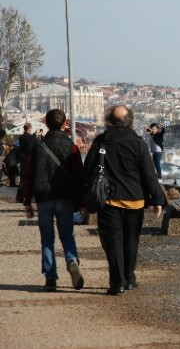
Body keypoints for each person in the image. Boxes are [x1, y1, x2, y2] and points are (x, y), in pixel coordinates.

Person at [84, 105, 165, 295]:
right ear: (130, 121)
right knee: (131, 241)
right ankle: (129, 278)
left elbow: (88, 172)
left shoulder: (101, 141)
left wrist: (83, 200)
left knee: (113, 243)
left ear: (108, 122)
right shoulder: (138, 143)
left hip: (109, 200)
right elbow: (149, 174)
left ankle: (117, 282)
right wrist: (158, 200)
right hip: (135, 200)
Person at [22, 109, 85, 292]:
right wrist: (81, 202)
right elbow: (78, 175)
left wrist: (27, 202)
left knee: (47, 239)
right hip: (65, 196)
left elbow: (28, 175)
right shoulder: (71, 146)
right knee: (67, 235)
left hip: (43, 197)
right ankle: (72, 260)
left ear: (46, 124)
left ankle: (50, 278)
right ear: (65, 124)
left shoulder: (38, 146)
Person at [17, 123, 37, 202]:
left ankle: (20, 197)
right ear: (30, 128)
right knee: (29, 179)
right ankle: (25, 196)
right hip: (29, 161)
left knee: (23, 180)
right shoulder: (29, 137)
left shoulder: (22, 137)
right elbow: (33, 145)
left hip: (23, 161)